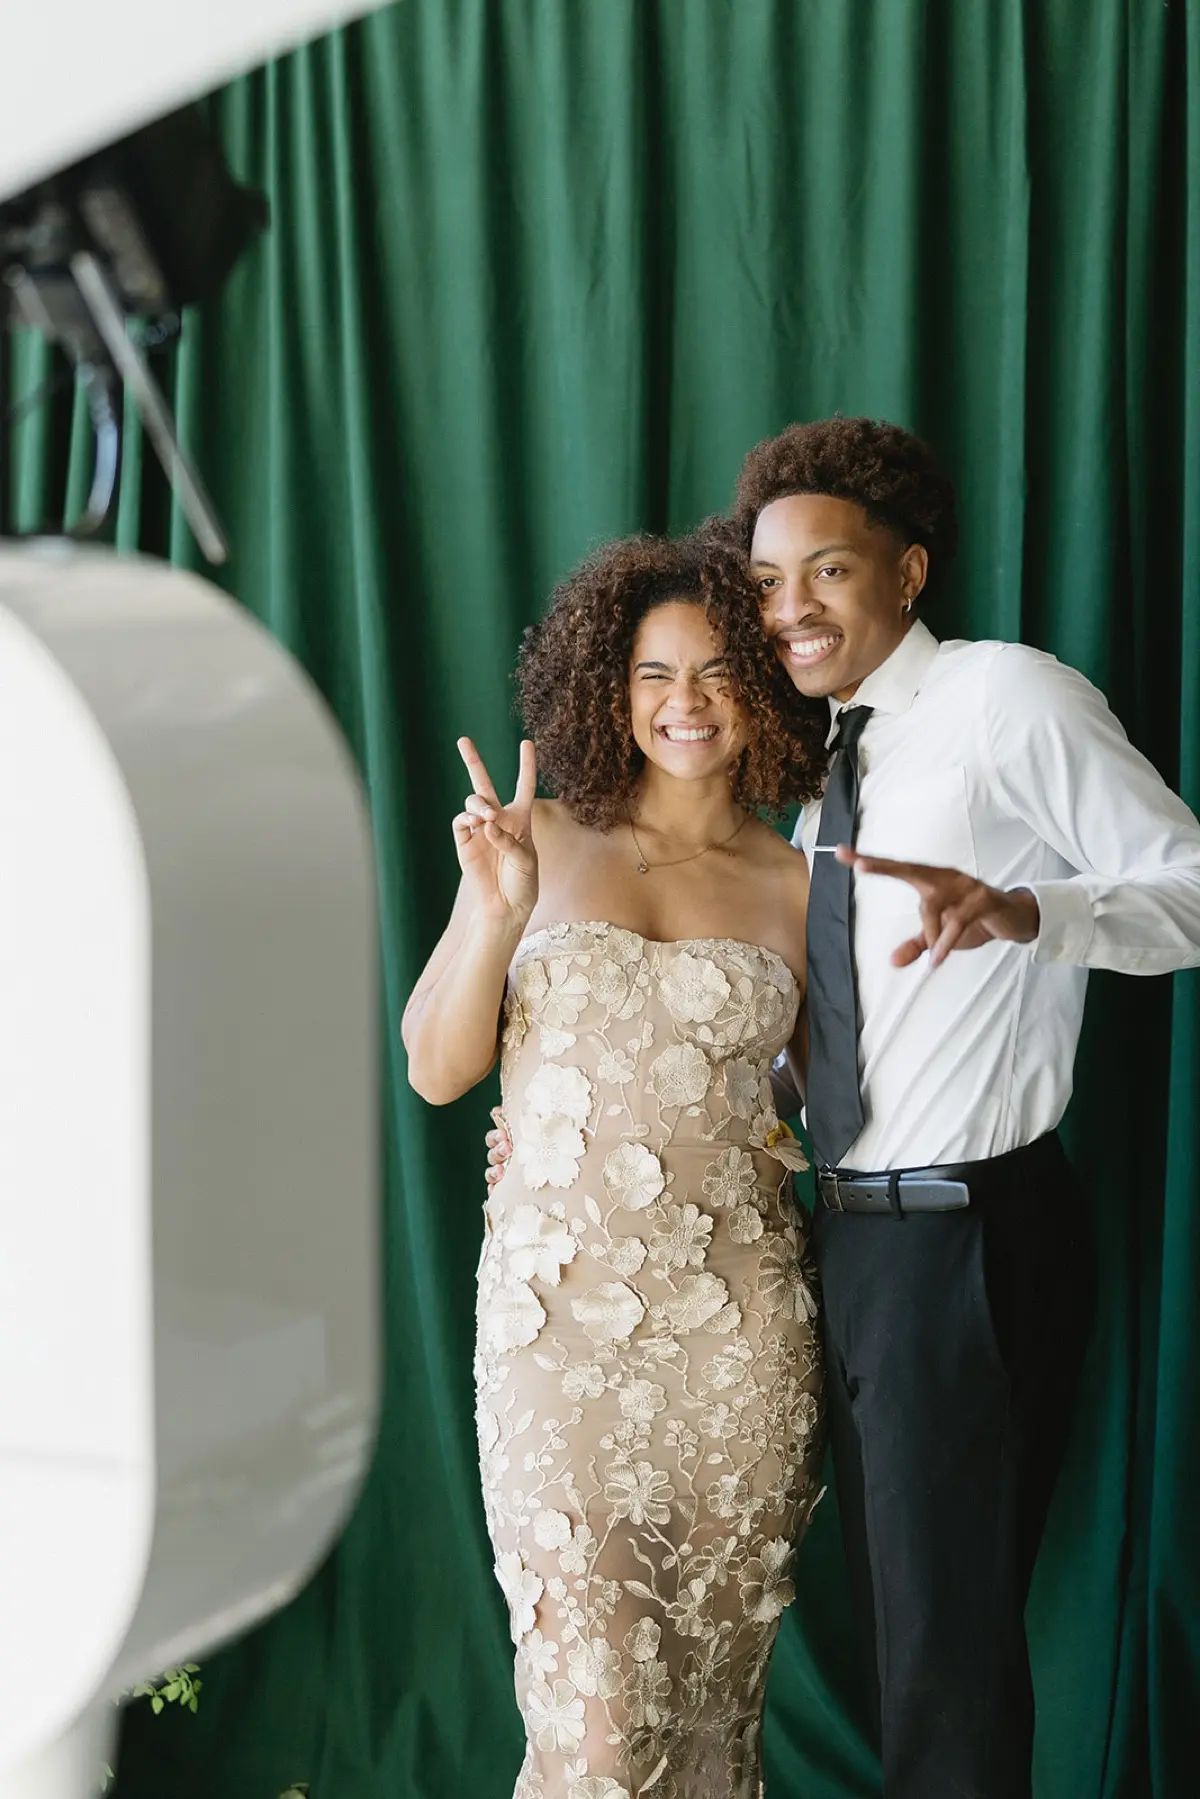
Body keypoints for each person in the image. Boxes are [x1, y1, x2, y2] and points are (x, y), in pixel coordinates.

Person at [728, 415, 1200, 1799]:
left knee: (946, 1659)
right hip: (858, 1238)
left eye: (828, 571)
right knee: (905, 1641)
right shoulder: (826, 762)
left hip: (970, 1235)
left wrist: (1029, 910)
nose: (792, 608)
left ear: (910, 570)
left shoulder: (1008, 698)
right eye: (766, 582)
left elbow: (1190, 887)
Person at [402, 526, 830, 1799]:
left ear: (759, 683)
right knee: (596, 1722)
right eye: (653, 672)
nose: (684, 702)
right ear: (610, 684)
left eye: (713, 670)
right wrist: (494, 904)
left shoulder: (803, 879)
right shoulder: (532, 835)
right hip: (555, 1328)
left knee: (712, 1713)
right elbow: (436, 1064)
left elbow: (835, 1095)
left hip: (740, 1327)